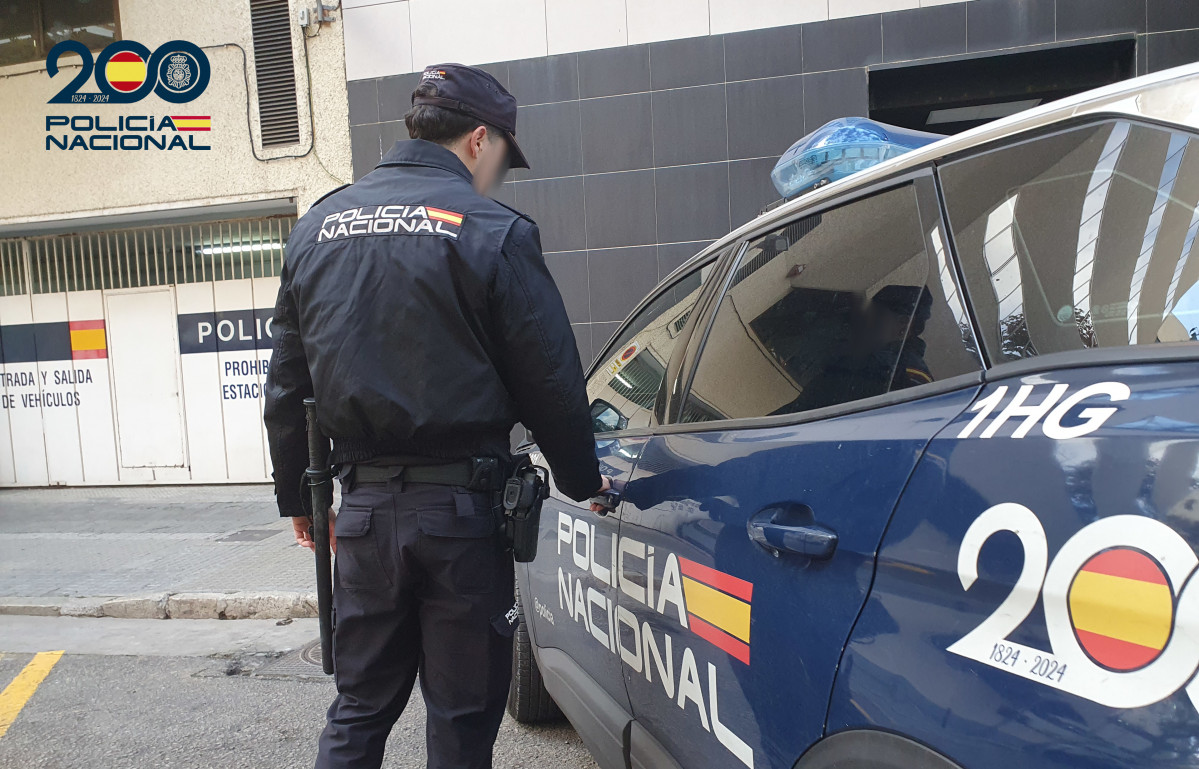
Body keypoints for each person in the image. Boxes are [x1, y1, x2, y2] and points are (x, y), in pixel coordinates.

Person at [264, 63, 610, 769]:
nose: (497, 177)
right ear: (478, 139)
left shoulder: (318, 226)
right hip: (461, 516)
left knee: (359, 707)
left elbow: (286, 385)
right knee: (459, 717)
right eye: (501, 161)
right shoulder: (492, 229)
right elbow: (547, 377)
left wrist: (300, 498)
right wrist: (583, 481)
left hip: (361, 515)